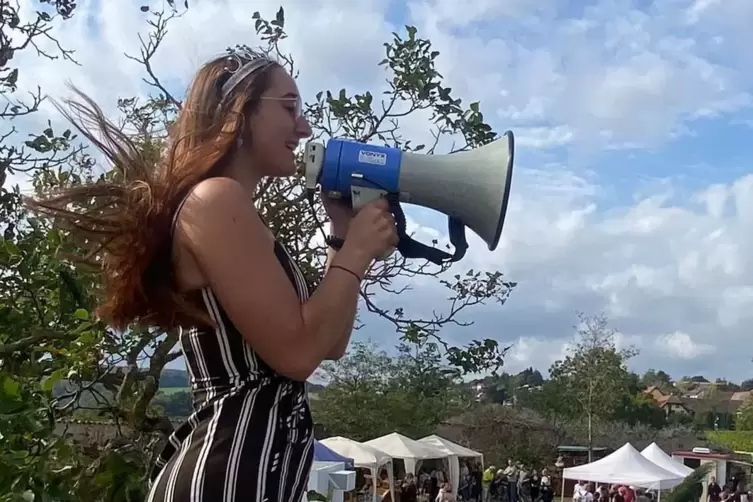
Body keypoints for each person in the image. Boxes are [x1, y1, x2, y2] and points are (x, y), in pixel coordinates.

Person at [27, 47, 398, 501]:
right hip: (228, 472)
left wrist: (342, 240)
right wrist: (357, 252)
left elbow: (328, 344)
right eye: (289, 107)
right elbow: (299, 355)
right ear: (238, 112)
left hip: (254, 473)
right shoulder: (215, 200)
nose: (304, 128)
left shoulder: (237, 213)